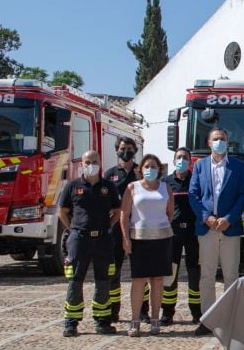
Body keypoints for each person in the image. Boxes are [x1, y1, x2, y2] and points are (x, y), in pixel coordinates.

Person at [188, 127, 244, 335]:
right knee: (206, 275)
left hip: (229, 227)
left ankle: (228, 318)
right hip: (207, 228)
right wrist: (206, 217)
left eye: (222, 139)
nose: (219, 142)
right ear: (209, 143)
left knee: (231, 274)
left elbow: (243, 195)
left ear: (227, 141)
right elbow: (193, 194)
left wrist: (229, 218)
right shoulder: (200, 166)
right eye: (215, 139)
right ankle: (208, 319)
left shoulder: (239, 167)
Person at [57, 150, 120, 337]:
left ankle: (102, 321)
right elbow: (62, 211)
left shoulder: (108, 186)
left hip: (102, 239)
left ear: (100, 162)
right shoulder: (73, 186)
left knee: (103, 280)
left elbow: (117, 211)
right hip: (79, 239)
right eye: (87, 161)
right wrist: (73, 229)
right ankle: (71, 322)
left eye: (94, 161)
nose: (91, 164)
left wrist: (107, 226)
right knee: (75, 280)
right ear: (82, 164)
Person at [120, 154, 174, 336]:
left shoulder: (166, 188)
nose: (150, 169)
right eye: (147, 166)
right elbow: (124, 215)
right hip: (139, 240)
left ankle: (155, 320)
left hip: (161, 239)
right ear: (141, 169)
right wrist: (125, 238)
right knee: (138, 281)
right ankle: (135, 321)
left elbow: (170, 213)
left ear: (159, 169)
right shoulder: (132, 188)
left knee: (157, 281)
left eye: (154, 166)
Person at [159, 148, 200, 325]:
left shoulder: (197, 180)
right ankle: (167, 313)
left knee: (194, 273)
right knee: (171, 274)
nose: (182, 160)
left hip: (193, 232)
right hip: (173, 232)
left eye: (185, 157)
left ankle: (197, 312)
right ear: (174, 160)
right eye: (179, 157)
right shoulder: (166, 182)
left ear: (190, 161)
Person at [104, 136, 140, 322]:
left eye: (129, 147)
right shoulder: (110, 174)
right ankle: (113, 310)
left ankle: (143, 311)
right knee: (114, 271)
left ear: (135, 150)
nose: (126, 151)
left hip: (139, 226)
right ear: (117, 150)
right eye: (122, 147)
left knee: (141, 271)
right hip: (116, 229)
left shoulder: (142, 171)